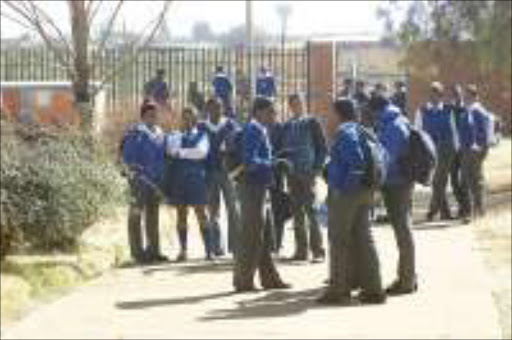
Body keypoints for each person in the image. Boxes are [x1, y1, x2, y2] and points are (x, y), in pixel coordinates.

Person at [317, 97, 385, 305]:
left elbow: (356, 162)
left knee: (339, 241)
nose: (328, 117)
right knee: (364, 240)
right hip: (366, 191)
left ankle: (339, 290)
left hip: (348, 194)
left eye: (331, 113)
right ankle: (374, 289)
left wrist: (345, 187)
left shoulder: (345, 132)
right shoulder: (362, 130)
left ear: (338, 114)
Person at [233, 96, 290, 292]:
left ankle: (270, 279)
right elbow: (249, 162)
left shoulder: (260, 129)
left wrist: (275, 159)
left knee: (264, 237)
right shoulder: (253, 129)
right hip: (252, 188)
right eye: (271, 111)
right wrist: (273, 163)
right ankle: (243, 281)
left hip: (259, 188)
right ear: (259, 112)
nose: (274, 115)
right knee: (251, 236)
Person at [374, 93, 418, 295]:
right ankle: (409, 276)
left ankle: (406, 280)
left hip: (396, 183)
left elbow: (386, 158)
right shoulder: (399, 120)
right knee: (404, 230)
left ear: (377, 110)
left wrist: (375, 180)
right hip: (402, 181)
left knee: (403, 231)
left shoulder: (391, 126)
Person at [119, 101, 168, 264]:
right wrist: (135, 177)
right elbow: (128, 159)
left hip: (156, 182)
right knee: (136, 216)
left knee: (153, 217)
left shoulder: (160, 134)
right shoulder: (135, 134)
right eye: (149, 115)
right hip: (139, 181)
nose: (153, 117)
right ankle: (137, 253)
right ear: (143, 116)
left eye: (155, 114)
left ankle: (153, 251)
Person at [281, 94, 327, 262]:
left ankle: (318, 251)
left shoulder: (311, 122)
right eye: (292, 104)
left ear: (303, 103)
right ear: (289, 106)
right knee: (297, 213)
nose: (295, 106)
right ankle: (301, 251)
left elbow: (322, 147)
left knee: (311, 212)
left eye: (298, 103)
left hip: (308, 173)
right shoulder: (286, 126)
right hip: (292, 175)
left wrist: (317, 168)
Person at [164, 107, 214, 262]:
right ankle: (183, 250)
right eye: (184, 117)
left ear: (196, 119)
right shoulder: (175, 135)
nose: (187, 120)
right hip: (179, 179)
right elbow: (171, 151)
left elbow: (201, 152)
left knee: (201, 213)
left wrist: (182, 153)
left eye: (191, 117)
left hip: (196, 179)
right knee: (181, 214)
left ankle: (209, 250)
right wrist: (186, 152)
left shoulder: (202, 135)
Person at [201, 97, 241, 256]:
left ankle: (236, 245)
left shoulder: (230, 125)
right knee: (213, 210)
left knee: (233, 208)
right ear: (206, 110)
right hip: (210, 172)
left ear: (222, 108)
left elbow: (238, 143)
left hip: (228, 173)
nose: (215, 111)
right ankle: (216, 246)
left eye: (218, 107)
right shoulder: (202, 126)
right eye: (211, 108)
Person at [415, 81, 458, 221]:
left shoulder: (448, 110)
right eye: (432, 95)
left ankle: (433, 211)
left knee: (440, 180)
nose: (434, 98)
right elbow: (418, 132)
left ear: (441, 95)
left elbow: (454, 131)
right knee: (437, 182)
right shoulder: (421, 111)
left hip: (446, 149)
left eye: (437, 95)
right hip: (429, 150)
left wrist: (456, 149)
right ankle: (443, 212)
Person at [459, 84, 494, 219]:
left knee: (471, 180)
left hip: (473, 150)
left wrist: (479, 146)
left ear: (473, 96)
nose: (465, 98)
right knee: (474, 180)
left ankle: (475, 211)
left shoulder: (475, 111)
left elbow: (481, 131)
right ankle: (477, 210)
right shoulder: (472, 110)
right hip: (470, 149)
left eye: (467, 96)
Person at [448, 84, 471, 220]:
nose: (456, 96)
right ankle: (463, 206)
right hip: (453, 150)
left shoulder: (466, 109)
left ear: (461, 95)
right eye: (454, 94)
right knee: (454, 181)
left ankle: (466, 210)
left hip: (464, 149)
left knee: (464, 181)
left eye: (458, 94)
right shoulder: (449, 110)